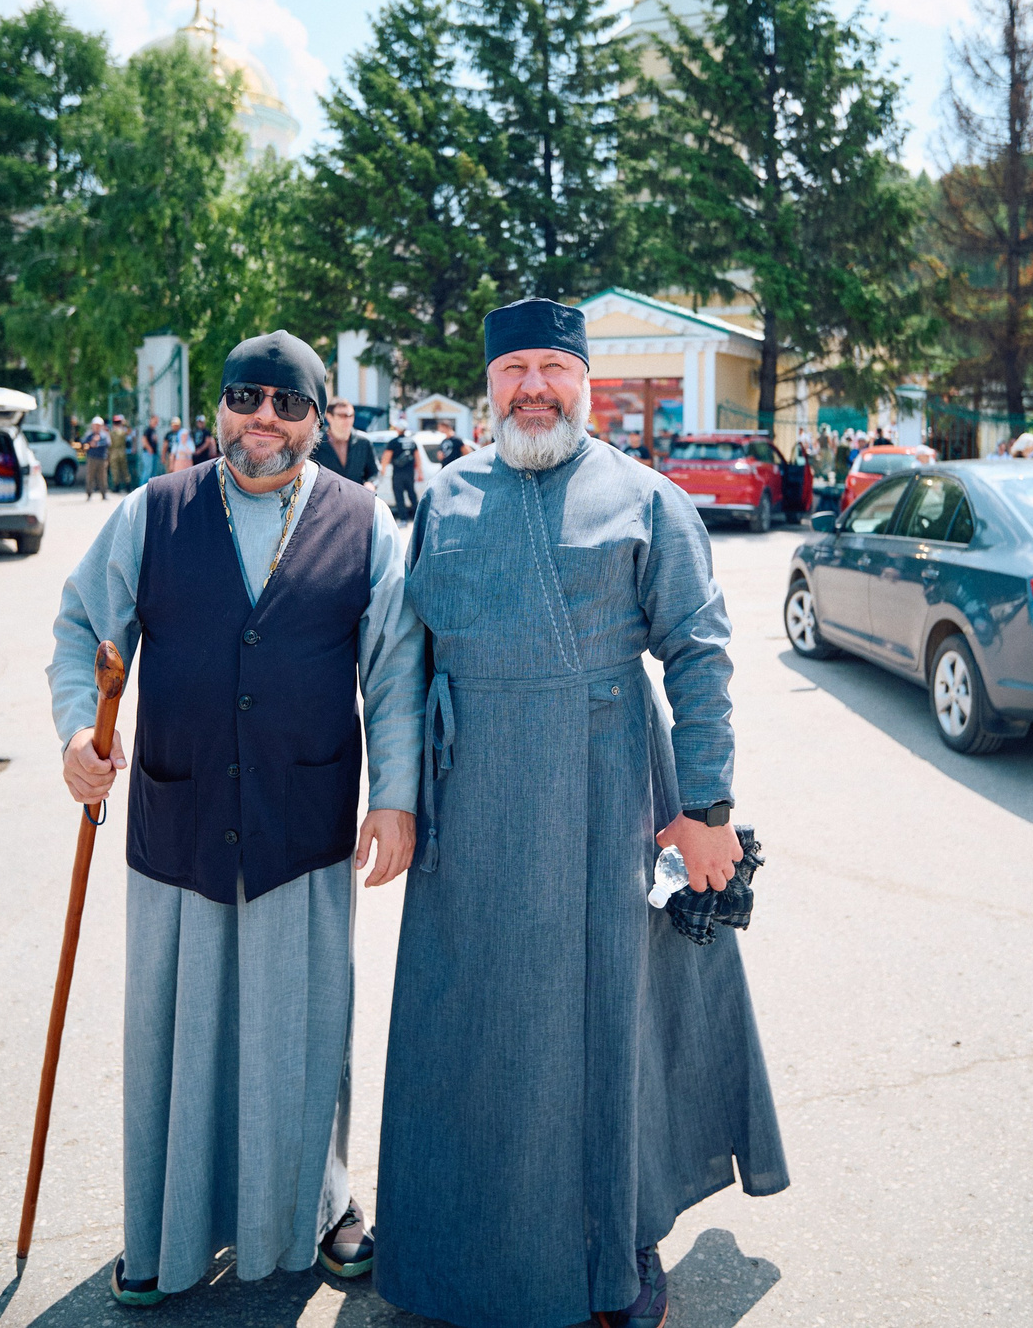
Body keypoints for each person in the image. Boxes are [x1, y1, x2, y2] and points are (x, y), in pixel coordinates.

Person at [374, 298, 787, 1328]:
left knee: (605, 1024)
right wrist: (398, 795)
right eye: (512, 367)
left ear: (584, 382)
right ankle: (452, 1247)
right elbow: (406, 653)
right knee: (469, 1024)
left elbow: (699, 651)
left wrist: (707, 807)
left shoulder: (647, 498)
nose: (533, 388)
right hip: (468, 805)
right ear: (488, 386)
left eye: (553, 366)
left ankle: (609, 1245)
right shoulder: (447, 494)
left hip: (607, 797)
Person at [51, 331, 425, 1311]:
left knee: (305, 1030)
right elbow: (79, 630)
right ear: (218, 406)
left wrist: (394, 792)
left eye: (288, 403)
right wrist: (73, 738)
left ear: (319, 416)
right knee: (174, 1027)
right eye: (244, 396)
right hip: (176, 822)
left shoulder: (364, 522)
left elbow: (391, 670)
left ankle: (321, 1203)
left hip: (301, 822)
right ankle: (164, 1227)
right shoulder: (151, 511)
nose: (263, 417)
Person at [311, 398, 378, 490]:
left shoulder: (363, 442)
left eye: (350, 415)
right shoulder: (316, 443)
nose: (347, 420)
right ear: (329, 417)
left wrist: (371, 484)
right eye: (342, 415)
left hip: (356, 497)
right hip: (326, 498)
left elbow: (374, 473)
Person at [383, 421, 418, 522]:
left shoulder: (394, 442)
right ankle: (417, 517)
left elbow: (386, 456)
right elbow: (417, 457)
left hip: (398, 473)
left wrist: (383, 470)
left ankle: (403, 519)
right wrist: (420, 473)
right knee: (412, 495)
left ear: (398, 429)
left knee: (399, 496)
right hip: (410, 473)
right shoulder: (412, 441)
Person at [84, 416, 111, 501]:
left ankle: (104, 494)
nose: (97, 427)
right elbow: (83, 443)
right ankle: (89, 494)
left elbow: (108, 443)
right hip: (92, 458)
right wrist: (91, 443)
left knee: (102, 477)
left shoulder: (104, 435)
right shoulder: (89, 435)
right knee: (90, 476)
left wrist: (97, 443)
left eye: (98, 425)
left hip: (102, 458)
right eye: (95, 425)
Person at [108, 414, 132, 491]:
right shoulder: (122, 431)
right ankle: (127, 485)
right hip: (122, 452)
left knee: (115, 469)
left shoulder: (112, 432)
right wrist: (125, 423)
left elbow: (109, 444)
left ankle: (116, 486)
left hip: (114, 452)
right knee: (124, 469)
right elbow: (129, 431)